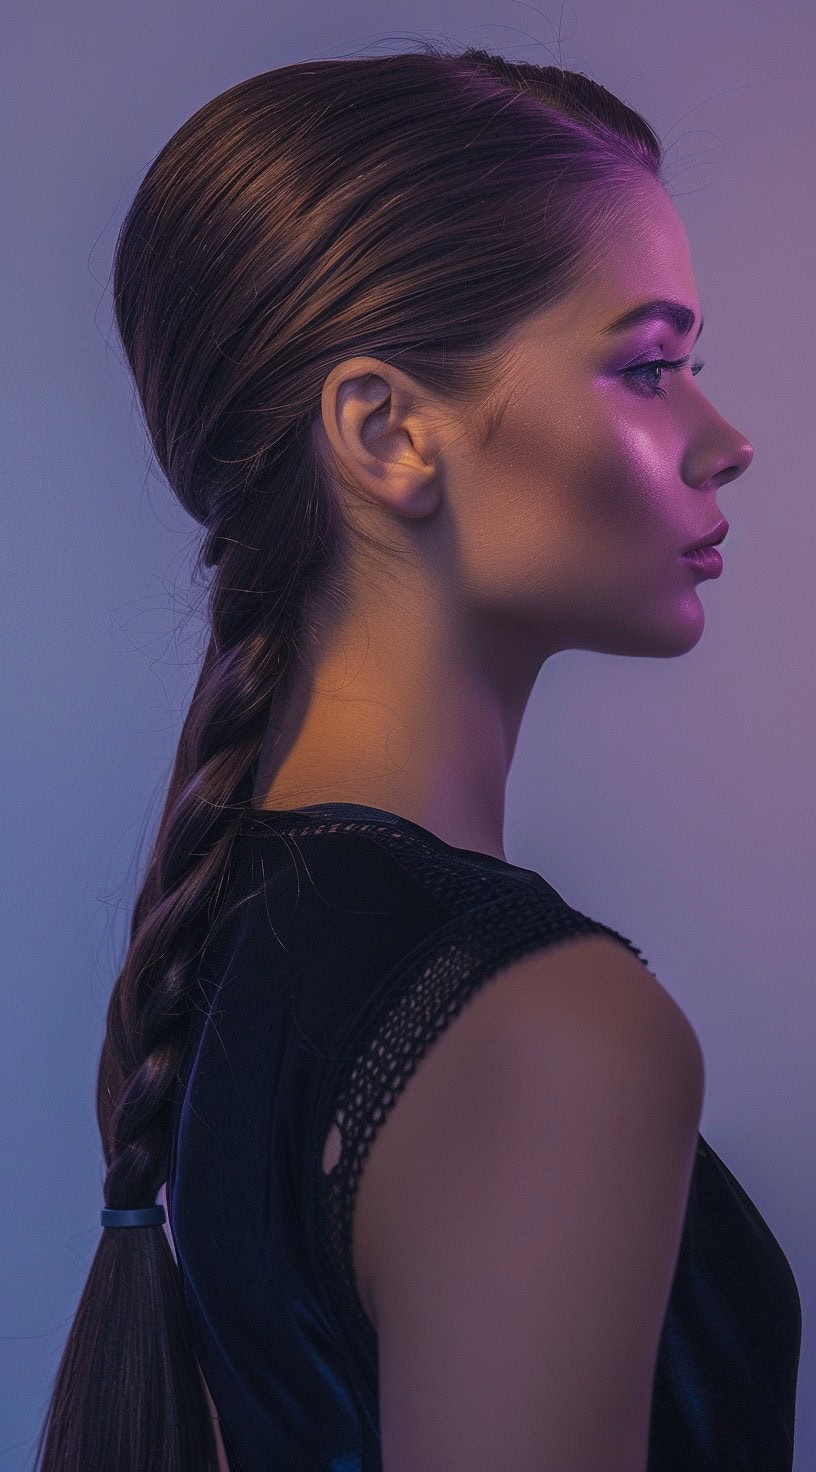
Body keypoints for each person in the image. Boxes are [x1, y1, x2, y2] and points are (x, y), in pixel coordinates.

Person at [33, 43, 801, 1472]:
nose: (724, 437)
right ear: (388, 432)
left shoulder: (228, 925)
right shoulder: (549, 1035)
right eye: (647, 366)